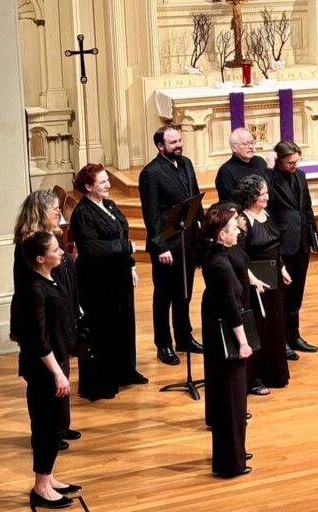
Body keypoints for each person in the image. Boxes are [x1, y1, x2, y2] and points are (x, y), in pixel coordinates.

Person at [69, 164, 147, 401]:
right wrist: (126, 247)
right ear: (88, 186)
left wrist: (130, 263)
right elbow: (92, 248)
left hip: (118, 272)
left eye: (106, 181)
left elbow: (122, 233)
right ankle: (101, 382)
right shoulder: (83, 213)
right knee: (103, 328)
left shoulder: (110, 204)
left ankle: (124, 371)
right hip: (96, 279)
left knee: (123, 322)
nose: (108, 185)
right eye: (102, 182)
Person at [13, 190, 81, 449]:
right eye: (54, 209)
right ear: (41, 212)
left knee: (63, 368)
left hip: (59, 309)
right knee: (47, 376)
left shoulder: (52, 236)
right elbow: (29, 289)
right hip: (43, 314)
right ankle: (46, 432)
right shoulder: (29, 245)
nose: (58, 213)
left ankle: (60, 426)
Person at [19, 232, 82, 509]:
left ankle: (48, 476)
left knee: (56, 425)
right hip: (44, 368)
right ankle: (40, 487)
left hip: (55, 362)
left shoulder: (50, 278)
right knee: (45, 426)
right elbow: (38, 339)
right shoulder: (34, 289)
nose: (62, 253)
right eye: (56, 250)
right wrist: (57, 372)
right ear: (40, 259)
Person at [139, 125, 204, 365]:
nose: (178, 145)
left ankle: (184, 337)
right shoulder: (151, 173)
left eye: (179, 140)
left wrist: (203, 231)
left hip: (187, 242)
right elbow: (151, 214)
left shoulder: (186, 162)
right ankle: (164, 344)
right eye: (173, 142)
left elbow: (195, 198)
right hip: (167, 246)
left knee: (184, 293)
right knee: (164, 297)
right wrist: (160, 246)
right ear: (160, 146)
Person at [200, 207, 253, 478]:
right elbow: (231, 307)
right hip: (225, 333)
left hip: (216, 324)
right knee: (231, 398)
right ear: (222, 234)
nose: (238, 230)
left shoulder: (216, 255)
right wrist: (243, 342)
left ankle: (235, 451)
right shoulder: (219, 264)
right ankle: (230, 462)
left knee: (231, 396)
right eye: (234, 227)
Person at [236, 175, 291, 394]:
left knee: (274, 325)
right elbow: (239, 257)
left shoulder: (266, 213)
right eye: (262, 194)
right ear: (251, 196)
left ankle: (273, 373)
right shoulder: (242, 220)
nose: (267, 197)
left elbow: (276, 246)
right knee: (258, 327)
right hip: (254, 282)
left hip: (273, 277)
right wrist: (253, 280)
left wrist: (282, 268)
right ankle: (254, 377)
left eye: (267, 193)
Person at [266, 140, 318, 353]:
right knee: (281, 295)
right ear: (279, 161)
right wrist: (269, 170)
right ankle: (281, 341)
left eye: (296, 161)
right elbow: (265, 199)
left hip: (301, 241)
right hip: (282, 242)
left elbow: (306, 206)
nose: (294, 166)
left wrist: (313, 234)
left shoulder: (300, 175)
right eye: (289, 162)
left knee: (297, 291)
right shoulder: (271, 178)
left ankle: (294, 335)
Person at [216, 127, 268, 202]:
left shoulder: (260, 162)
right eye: (246, 143)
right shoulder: (225, 171)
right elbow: (229, 203)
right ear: (234, 148)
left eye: (252, 142)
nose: (251, 147)